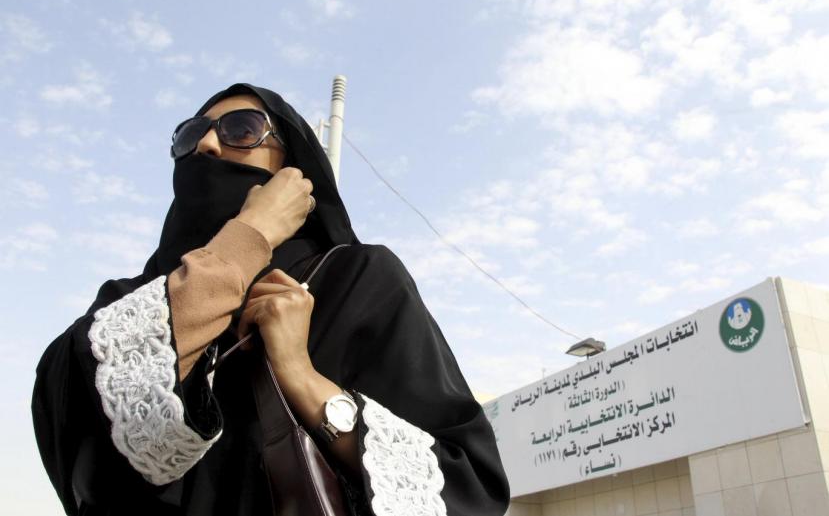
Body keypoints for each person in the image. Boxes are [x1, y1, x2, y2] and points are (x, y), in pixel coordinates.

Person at [31, 83, 510, 516]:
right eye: (188, 135)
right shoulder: (128, 301)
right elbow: (75, 424)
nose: (207, 145)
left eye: (240, 129)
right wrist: (248, 239)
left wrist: (304, 380)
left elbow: (466, 483)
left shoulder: (357, 280)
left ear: (291, 167)